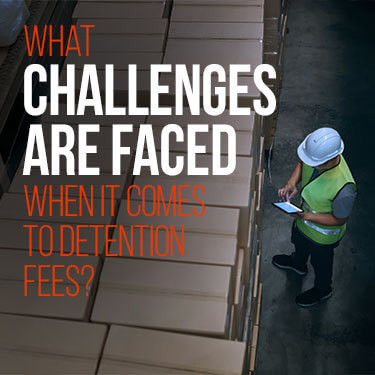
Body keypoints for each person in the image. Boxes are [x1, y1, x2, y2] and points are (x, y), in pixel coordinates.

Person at [272, 127, 357, 307]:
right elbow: (302, 164)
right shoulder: (319, 156)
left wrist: (307, 216)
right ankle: (297, 264)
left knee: (322, 264)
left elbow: (340, 219)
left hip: (322, 238)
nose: (312, 164)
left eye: (316, 163)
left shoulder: (345, 187)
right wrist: (291, 183)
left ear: (332, 159)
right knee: (299, 245)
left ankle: (323, 290)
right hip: (302, 223)